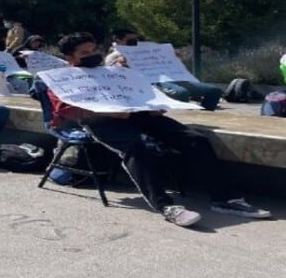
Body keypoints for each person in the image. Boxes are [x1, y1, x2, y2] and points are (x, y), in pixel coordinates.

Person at [48, 32, 270, 227]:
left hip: (140, 115)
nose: (93, 54)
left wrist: (154, 105)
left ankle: (224, 199)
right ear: (70, 57)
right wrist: (106, 113)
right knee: (139, 147)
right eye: (85, 52)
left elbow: (142, 91)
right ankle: (165, 206)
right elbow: (65, 112)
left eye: (94, 49)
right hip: (104, 123)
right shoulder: (63, 80)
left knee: (195, 140)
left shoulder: (113, 71)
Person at [108, 29, 222, 111]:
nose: (135, 42)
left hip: (173, 78)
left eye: (136, 39)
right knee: (182, 93)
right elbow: (113, 74)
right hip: (153, 82)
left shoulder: (147, 48)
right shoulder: (114, 56)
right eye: (130, 40)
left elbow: (164, 55)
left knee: (214, 91)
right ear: (119, 40)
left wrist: (173, 55)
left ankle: (205, 113)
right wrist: (122, 65)